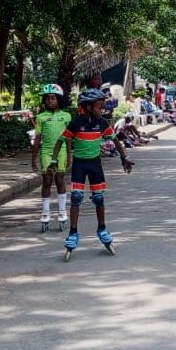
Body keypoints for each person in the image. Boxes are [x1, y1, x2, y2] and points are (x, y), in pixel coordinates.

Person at [54, 89, 131, 257]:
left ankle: (102, 229)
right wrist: (54, 160)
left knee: (98, 198)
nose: (102, 110)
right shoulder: (75, 123)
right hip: (79, 165)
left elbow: (115, 140)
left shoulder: (102, 123)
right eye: (99, 107)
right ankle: (73, 233)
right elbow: (61, 140)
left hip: (95, 164)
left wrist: (124, 158)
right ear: (88, 107)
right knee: (76, 197)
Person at [31, 83, 71, 233]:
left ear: (59, 99)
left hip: (61, 151)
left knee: (60, 179)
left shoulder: (66, 116)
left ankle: (62, 211)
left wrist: (69, 155)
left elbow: (68, 138)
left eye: (53, 98)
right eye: (47, 98)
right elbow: (37, 138)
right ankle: (45, 212)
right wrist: (33, 157)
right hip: (46, 151)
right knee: (47, 180)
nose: (50, 101)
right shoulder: (41, 117)